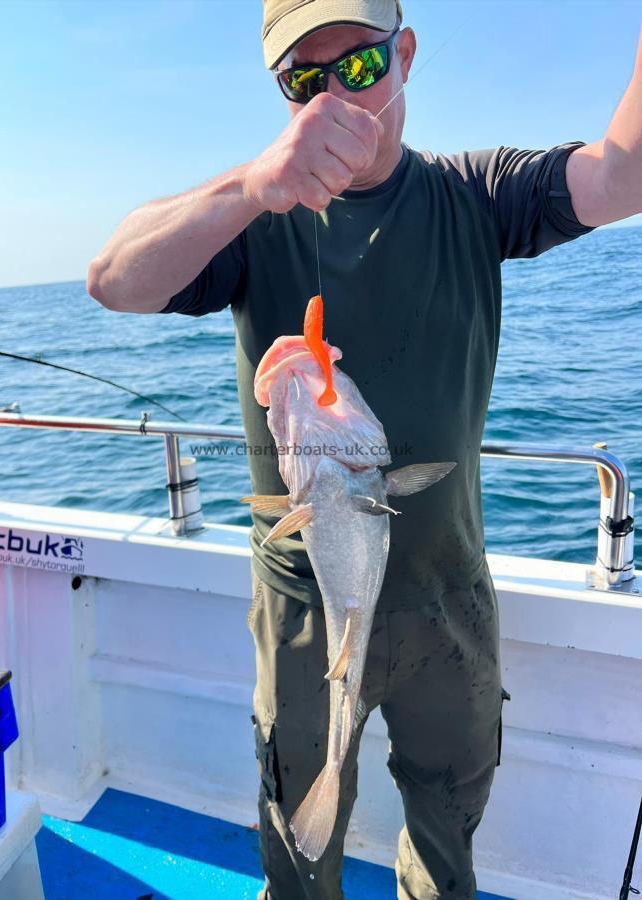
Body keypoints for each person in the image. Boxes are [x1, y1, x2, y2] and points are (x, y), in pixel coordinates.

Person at [87, 2, 642, 897]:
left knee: (446, 829)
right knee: (298, 848)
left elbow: (622, 175)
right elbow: (111, 279)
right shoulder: (254, 218)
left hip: (444, 594)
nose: (335, 97)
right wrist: (247, 189)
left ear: (406, 56)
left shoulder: (476, 194)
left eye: (358, 67)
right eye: (305, 78)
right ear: (279, 92)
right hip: (305, 605)